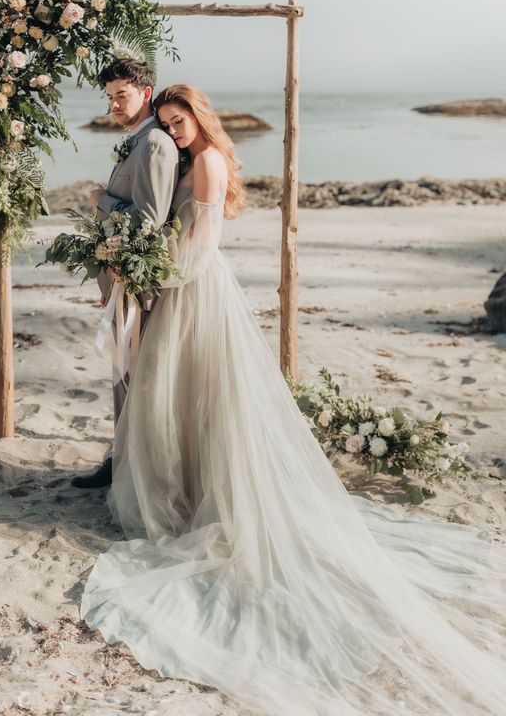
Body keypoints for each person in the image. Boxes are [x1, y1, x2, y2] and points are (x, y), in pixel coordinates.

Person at [80, 84, 506, 716]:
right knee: (177, 395)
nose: (173, 131)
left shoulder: (209, 163)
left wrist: (149, 272)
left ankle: (196, 494)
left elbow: (198, 247)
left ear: (200, 118)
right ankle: (190, 484)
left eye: (180, 120)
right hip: (182, 289)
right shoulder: (184, 156)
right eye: (166, 122)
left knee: (187, 392)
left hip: (195, 291)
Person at [70, 59, 179, 489]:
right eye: (110, 96)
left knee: (134, 379)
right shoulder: (138, 139)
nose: (114, 104)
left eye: (122, 95)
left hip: (138, 284)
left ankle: (131, 471)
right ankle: (123, 461)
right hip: (122, 278)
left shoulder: (153, 144)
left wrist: (101, 199)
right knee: (124, 377)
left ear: (145, 93)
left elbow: (148, 219)